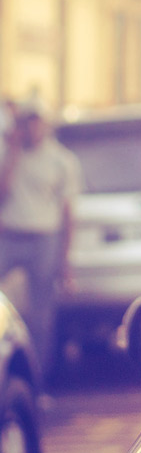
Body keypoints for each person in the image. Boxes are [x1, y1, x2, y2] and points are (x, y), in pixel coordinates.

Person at [0, 97, 82, 374]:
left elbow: (68, 213)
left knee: (42, 315)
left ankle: (39, 379)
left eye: (37, 121)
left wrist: (65, 260)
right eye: (27, 122)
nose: (32, 128)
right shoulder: (8, 153)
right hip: (9, 234)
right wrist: (12, 152)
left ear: (46, 124)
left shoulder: (61, 160)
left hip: (45, 237)